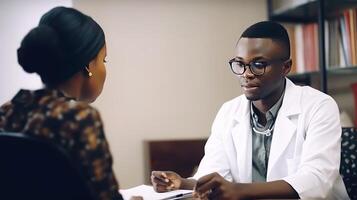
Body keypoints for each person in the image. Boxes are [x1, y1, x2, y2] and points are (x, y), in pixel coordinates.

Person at [151, 21, 349, 199]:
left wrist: (238, 190)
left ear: (286, 67)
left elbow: (317, 180)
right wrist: (182, 183)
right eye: (240, 64)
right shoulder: (229, 111)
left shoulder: (319, 106)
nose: (246, 74)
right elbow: (216, 176)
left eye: (258, 65)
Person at [0, 7, 123, 200]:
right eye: (103, 59)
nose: (104, 68)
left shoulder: (7, 112)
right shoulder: (79, 118)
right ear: (88, 66)